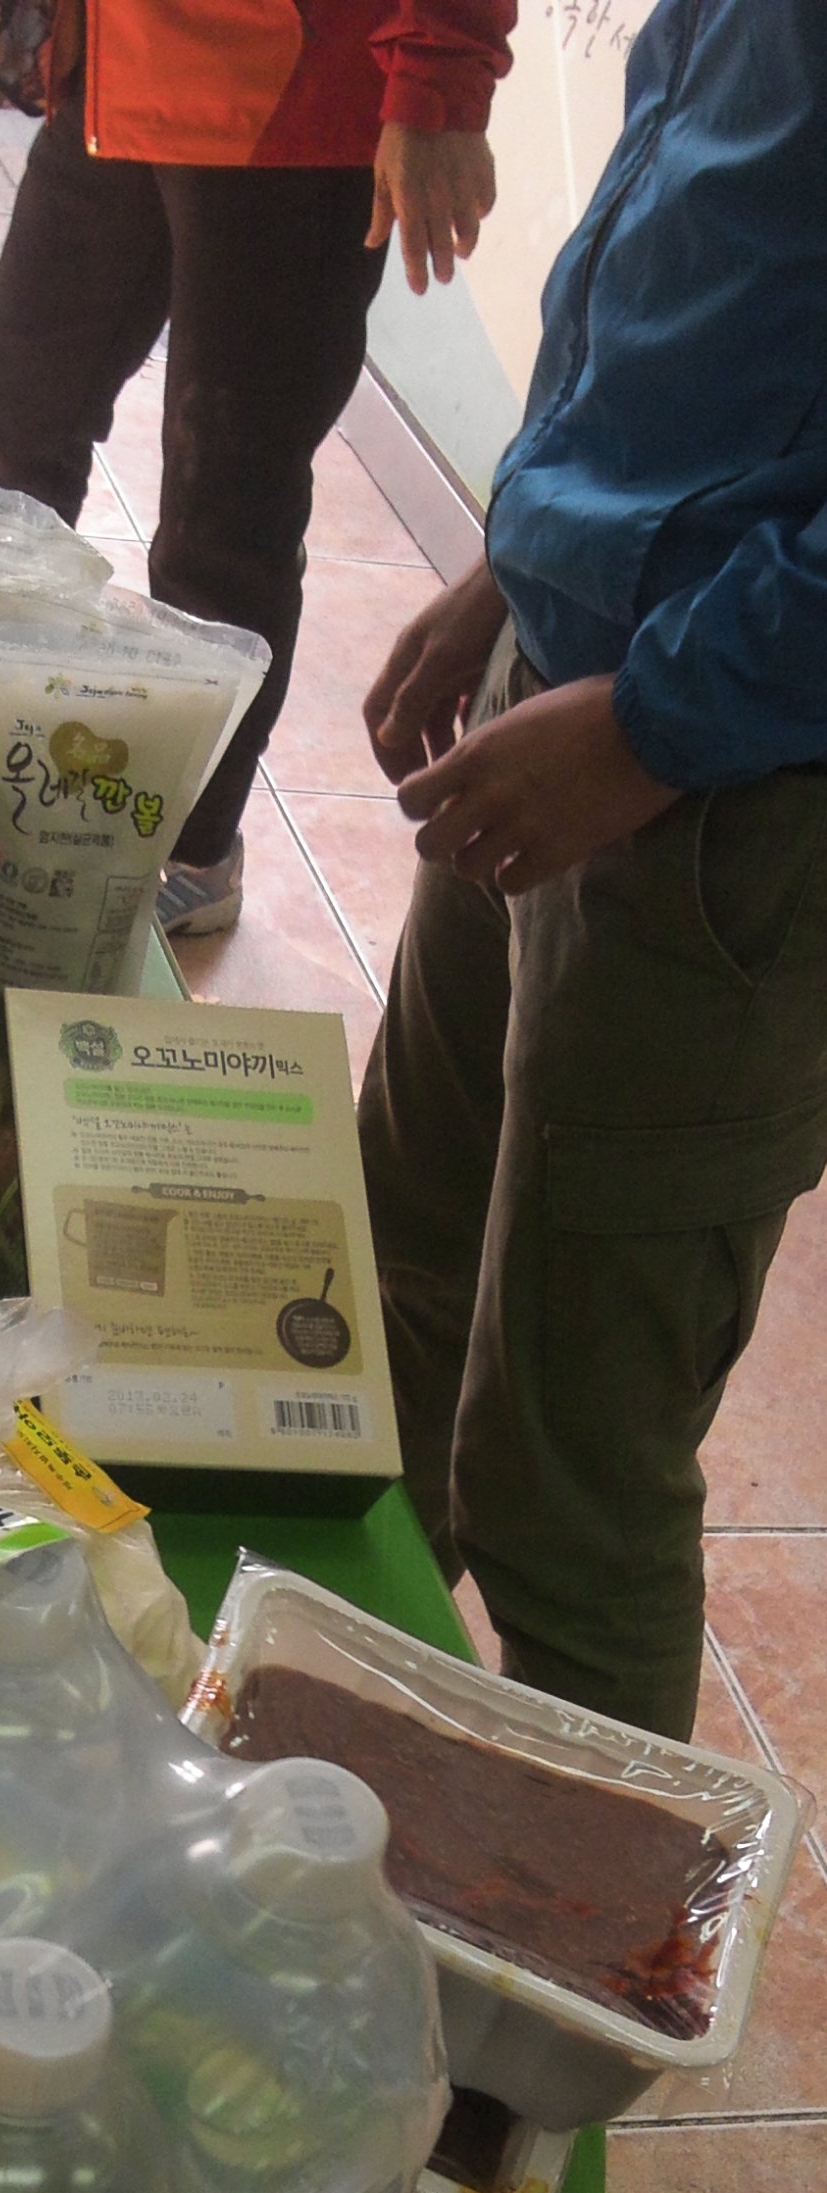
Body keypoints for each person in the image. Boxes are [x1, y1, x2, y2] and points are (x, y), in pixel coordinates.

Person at [356, 0, 827, 1743]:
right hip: (570, 683)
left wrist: (649, 723)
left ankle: (559, 1925)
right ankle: (312, 1786)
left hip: (726, 806)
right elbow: (682, 248)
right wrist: (519, 554)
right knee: (390, 1293)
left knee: (570, 1487)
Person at [0, 0, 514, 936]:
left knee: (223, 520)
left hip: (289, 88)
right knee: (15, 423)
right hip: (117, 63)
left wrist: (440, 78)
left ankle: (191, 849)